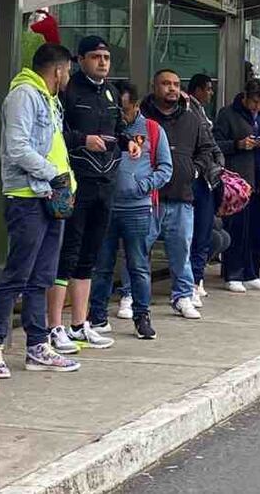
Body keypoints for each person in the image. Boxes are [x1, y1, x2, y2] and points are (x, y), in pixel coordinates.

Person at [0, 43, 79, 377]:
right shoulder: (23, 95)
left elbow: (56, 147)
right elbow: (17, 147)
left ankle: (38, 346)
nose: (69, 77)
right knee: (17, 275)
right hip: (27, 196)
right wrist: (56, 174)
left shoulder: (50, 99)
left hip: (52, 195)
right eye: (68, 71)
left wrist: (67, 184)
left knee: (42, 277)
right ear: (59, 70)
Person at [49, 36, 140, 353]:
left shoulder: (113, 92)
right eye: (96, 56)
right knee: (67, 252)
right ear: (81, 59)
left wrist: (128, 140)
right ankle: (54, 327)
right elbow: (58, 133)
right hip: (76, 181)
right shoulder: (67, 91)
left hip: (106, 182)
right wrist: (84, 140)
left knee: (90, 255)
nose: (103, 62)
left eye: (107, 57)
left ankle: (79, 324)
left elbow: (116, 129)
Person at [89, 82, 172, 339]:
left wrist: (144, 186)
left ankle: (142, 316)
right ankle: (97, 317)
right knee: (102, 265)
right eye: (118, 109)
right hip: (105, 206)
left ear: (136, 106)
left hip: (137, 208)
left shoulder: (152, 130)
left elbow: (165, 168)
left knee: (138, 265)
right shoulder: (106, 127)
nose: (121, 114)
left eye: (125, 109)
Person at [140, 69, 213, 319]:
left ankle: (182, 296)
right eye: (165, 84)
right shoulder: (141, 117)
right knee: (139, 249)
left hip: (182, 196)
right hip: (148, 197)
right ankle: (132, 295)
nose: (171, 88)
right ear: (154, 86)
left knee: (181, 250)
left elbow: (206, 150)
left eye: (175, 84)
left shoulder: (191, 119)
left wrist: (195, 171)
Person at [213, 78, 260, 293]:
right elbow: (215, 144)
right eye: (254, 102)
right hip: (237, 181)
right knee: (237, 227)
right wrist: (238, 144)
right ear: (245, 96)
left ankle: (252, 272)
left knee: (256, 229)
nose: (257, 107)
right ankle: (233, 273)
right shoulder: (228, 114)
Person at [185, 73, 224, 306]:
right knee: (190, 234)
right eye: (208, 89)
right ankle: (188, 282)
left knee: (204, 232)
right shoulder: (187, 109)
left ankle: (196, 279)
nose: (210, 93)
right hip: (190, 177)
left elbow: (210, 144)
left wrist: (218, 161)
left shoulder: (202, 113)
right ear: (197, 89)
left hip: (207, 177)